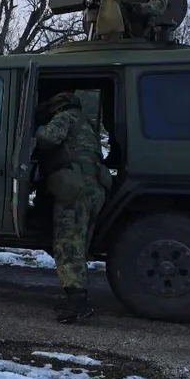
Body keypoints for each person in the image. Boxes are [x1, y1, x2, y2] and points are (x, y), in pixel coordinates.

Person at [34, 91, 113, 323]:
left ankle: (77, 302)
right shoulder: (86, 124)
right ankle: (77, 294)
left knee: (68, 243)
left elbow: (49, 139)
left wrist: (37, 131)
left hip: (75, 186)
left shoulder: (64, 118)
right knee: (81, 240)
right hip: (95, 185)